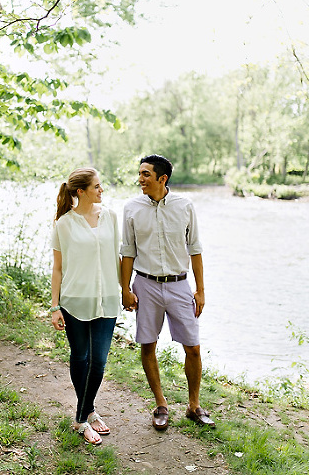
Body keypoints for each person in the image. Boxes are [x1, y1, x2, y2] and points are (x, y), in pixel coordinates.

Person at [120, 154, 215, 431]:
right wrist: (125, 289)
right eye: (139, 174)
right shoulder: (131, 208)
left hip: (179, 285)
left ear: (163, 178)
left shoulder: (185, 206)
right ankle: (161, 403)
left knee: (193, 348)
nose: (140, 179)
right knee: (148, 345)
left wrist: (200, 290)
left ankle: (194, 405)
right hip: (145, 284)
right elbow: (127, 252)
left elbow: (195, 249)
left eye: (146, 174)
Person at [51, 167, 121, 445]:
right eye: (96, 186)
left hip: (107, 300)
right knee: (80, 356)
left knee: (99, 361)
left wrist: (126, 290)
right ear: (81, 191)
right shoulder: (64, 224)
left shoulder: (111, 217)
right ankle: (87, 414)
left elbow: (117, 256)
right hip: (74, 301)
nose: (101, 190)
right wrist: (54, 306)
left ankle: (81, 416)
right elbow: (58, 268)